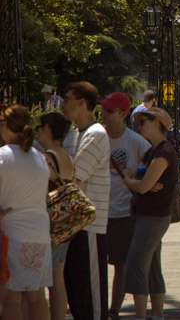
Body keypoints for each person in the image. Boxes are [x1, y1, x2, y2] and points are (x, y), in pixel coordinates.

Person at [122, 107, 178, 320]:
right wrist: (138, 182)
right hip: (147, 214)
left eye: (144, 121)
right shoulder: (152, 151)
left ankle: (140, 316)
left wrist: (132, 182)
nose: (139, 125)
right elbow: (141, 178)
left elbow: (142, 185)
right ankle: (157, 314)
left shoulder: (163, 152)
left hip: (154, 217)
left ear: (157, 123)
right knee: (153, 267)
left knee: (136, 264)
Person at [62, 81, 111, 320]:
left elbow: (74, 176)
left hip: (89, 223)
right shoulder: (73, 135)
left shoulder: (97, 134)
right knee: (77, 292)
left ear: (82, 103)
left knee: (92, 297)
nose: (63, 103)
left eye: (67, 98)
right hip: (72, 224)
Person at [100, 92, 151, 320]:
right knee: (96, 268)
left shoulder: (137, 142)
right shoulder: (94, 137)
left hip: (122, 213)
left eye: (110, 111)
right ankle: (97, 309)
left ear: (123, 114)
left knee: (120, 266)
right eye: (103, 110)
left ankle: (113, 311)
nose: (104, 115)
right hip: (96, 214)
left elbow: (153, 167)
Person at [0, 105, 52, 320]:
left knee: (11, 299)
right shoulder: (39, 158)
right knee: (37, 297)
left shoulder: (3, 157)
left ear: (5, 126)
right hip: (40, 235)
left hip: (13, 236)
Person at [36, 111, 75, 320]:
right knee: (57, 280)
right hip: (64, 223)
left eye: (39, 128)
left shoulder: (46, 158)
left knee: (40, 282)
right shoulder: (67, 156)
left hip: (48, 224)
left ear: (48, 129)